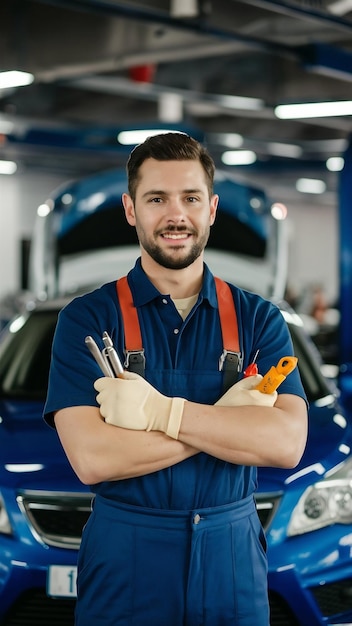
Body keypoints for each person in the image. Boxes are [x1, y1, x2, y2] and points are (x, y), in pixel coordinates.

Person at [44, 132, 308, 626]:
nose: (175, 215)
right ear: (131, 209)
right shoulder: (86, 320)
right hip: (126, 554)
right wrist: (227, 424)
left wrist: (159, 414)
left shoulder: (259, 320)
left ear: (211, 208)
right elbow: (93, 459)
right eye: (156, 198)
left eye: (189, 198)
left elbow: (286, 444)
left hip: (232, 558)